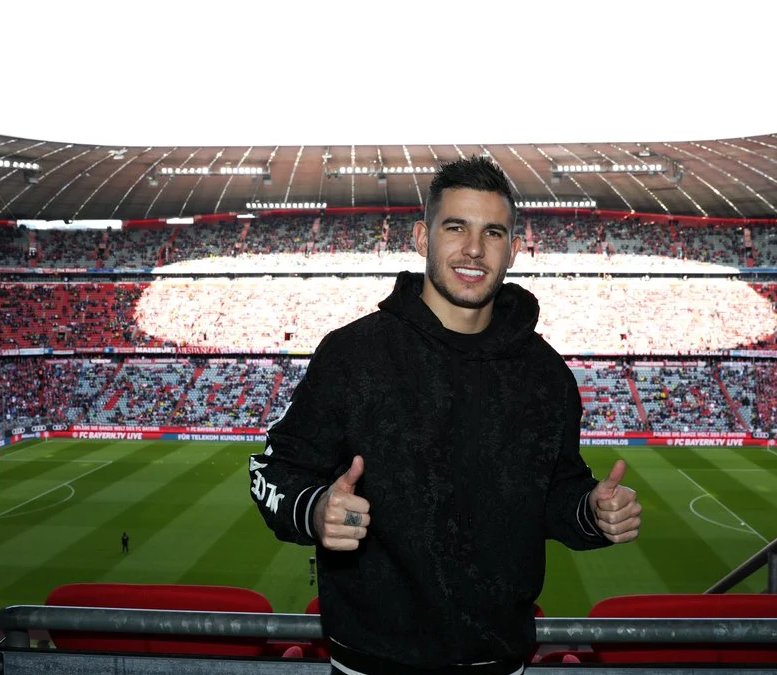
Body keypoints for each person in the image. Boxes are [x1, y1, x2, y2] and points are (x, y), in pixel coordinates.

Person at [250, 157, 642, 675]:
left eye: (493, 233)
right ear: (421, 237)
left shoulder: (547, 375)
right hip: (371, 662)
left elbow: (555, 495)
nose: (474, 249)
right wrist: (316, 508)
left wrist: (591, 511)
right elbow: (270, 473)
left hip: (500, 660)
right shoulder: (353, 354)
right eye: (455, 227)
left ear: (516, 250)